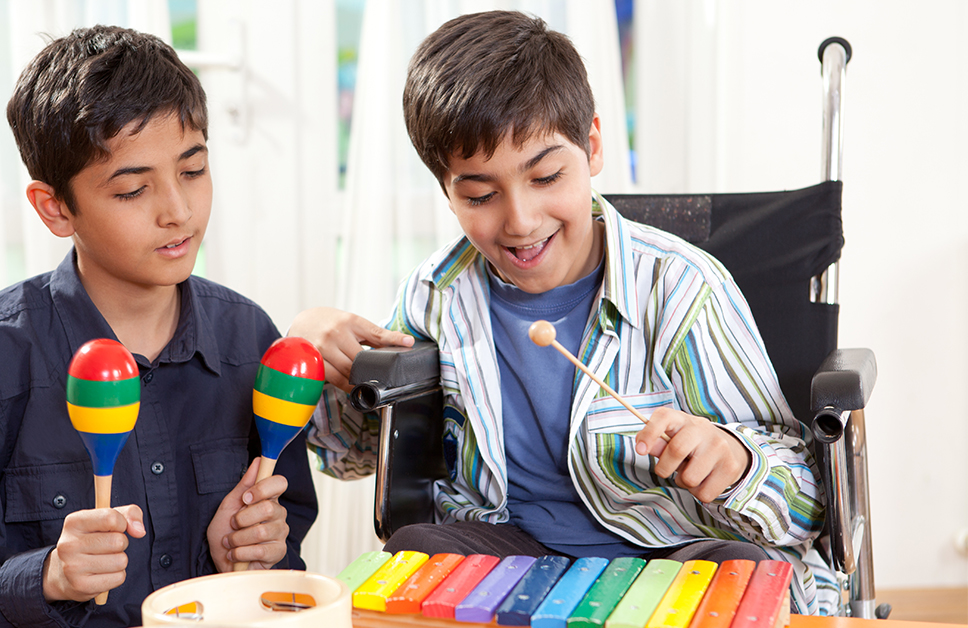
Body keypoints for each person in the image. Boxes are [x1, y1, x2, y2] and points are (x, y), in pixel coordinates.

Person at [294, 10, 834, 615]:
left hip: (669, 553)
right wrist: (318, 358)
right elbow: (352, 456)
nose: (521, 220)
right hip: (509, 556)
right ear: (447, 193)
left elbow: (808, 502)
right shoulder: (435, 295)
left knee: (746, 572)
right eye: (480, 194)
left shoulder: (681, 288)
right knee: (417, 548)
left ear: (593, 146)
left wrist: (735, 463)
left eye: (547, 175)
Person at [0, 25, 317, 628]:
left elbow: (281, 559)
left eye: (193, 171)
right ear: (55, 208)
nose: (178, 211)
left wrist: (248, 559)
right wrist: (49, 576)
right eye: (133, 189)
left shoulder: (249, 341)